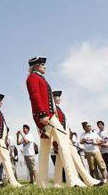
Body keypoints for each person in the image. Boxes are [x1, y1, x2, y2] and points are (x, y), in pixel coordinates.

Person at [26, 56, 85, 188]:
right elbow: (35, 96)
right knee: (63, 143)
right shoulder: (32, 78)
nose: (44, 66)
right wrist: (42, 115)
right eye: (42, 64)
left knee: (46, 150)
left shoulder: (40, 78)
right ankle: (72, 180)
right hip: (46, 116)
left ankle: (42, 182)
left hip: (49, 115)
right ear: (35, 66)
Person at [51, 91, 102, 188]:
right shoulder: (54, 110)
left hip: (65, 139)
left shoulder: (59, 110)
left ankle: (58, 183)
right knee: (70, 159)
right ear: (53, 98)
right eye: (57, 97)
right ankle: (77, 181)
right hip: (60, 139)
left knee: (64, 160)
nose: (59, 99)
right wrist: (55, 142)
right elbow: (53, 127)